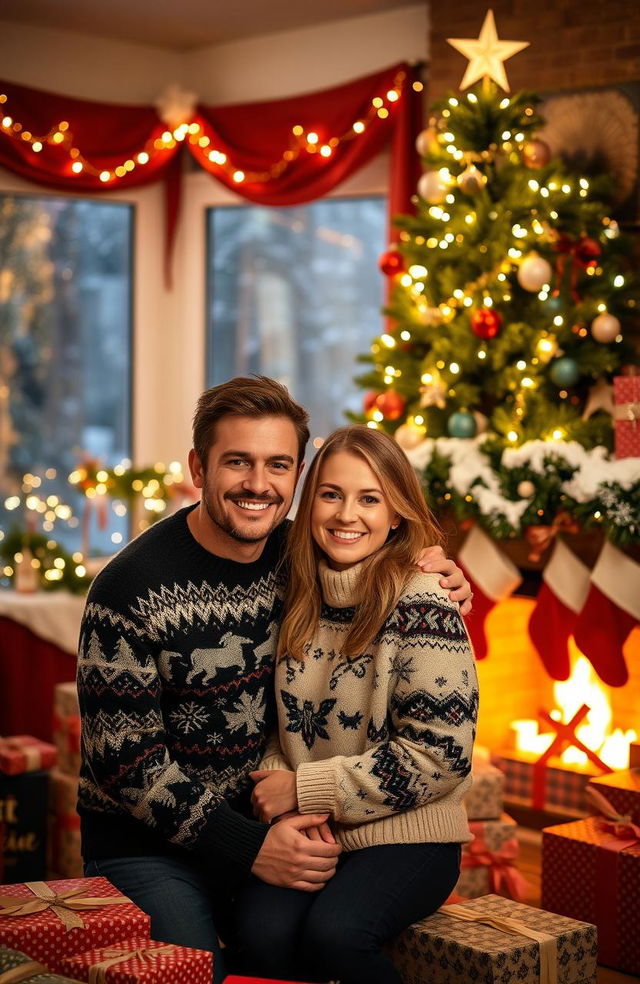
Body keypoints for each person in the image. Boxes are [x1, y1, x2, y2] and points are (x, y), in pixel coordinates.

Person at [76, 377, 472, 983]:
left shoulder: (301, 556)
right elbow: (127, 766)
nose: (258, 485)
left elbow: (376, 563)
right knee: (197, 972)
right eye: (238, 462)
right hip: (153, 843)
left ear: (296, 480)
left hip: (274, 823)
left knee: (291, 943)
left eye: (278, 465)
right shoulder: (128, 589)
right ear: (198, 468)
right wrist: (253, 844)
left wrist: (437, 574)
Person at [237, 424, 478, 984]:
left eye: (369, 498)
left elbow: (441, 755)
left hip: (412, 832)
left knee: (337, 934)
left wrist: (304, 790)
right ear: (309, 501)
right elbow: (282, 729)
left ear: (397, 513)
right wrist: (283, 796)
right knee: (258, 932)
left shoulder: (422, 604)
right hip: (319, 828)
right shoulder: (297, 594)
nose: (347, 514)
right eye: (331, 494)